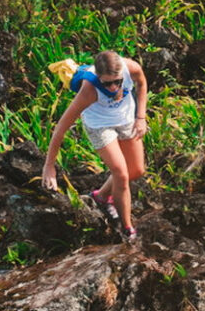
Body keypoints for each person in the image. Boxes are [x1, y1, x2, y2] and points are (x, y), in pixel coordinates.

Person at [41, 50, 148, 240]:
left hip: (126, 119)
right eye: (108, 83)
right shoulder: (89, 90)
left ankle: (101, 196)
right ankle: (127, 229)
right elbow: (60, 129)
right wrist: (49, 166)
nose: (114, 87)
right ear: (99, 77)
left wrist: (141, 117)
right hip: (99, 126)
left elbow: (141, 84)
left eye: (118, 82)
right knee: (121, 174)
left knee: (137, 170)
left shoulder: (131, 68)